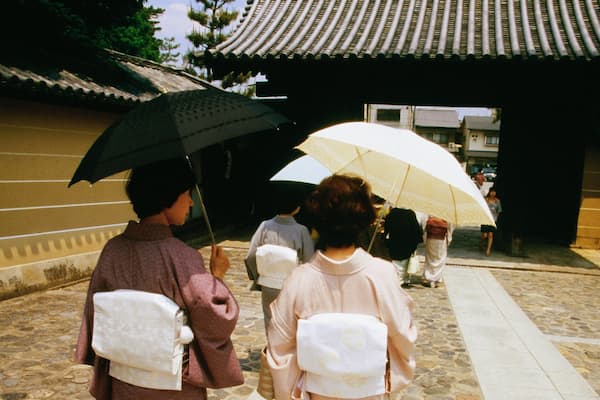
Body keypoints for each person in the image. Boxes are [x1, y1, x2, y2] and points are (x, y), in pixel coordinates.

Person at [74, 158, 243, 400]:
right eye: (186, 194)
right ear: (167, 199)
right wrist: (216, 277)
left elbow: (95, 311)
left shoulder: (112, 250)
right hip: (171, 386)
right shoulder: (182, 257)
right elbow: (216, 314)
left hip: (123, 380)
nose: (191, 201)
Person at [266, 174, 417, 400]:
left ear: (317, 221)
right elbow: (403, 336)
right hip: (370, 394)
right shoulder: (383, 274)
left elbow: (280, 349)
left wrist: (290, 393)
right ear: (364, 219)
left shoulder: (298, 280)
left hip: (317, 394)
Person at [244, 188, 315, 333]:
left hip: (268, 283)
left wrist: (258, 277)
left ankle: (271, 351)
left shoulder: (265, 226)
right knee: (290, 322)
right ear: (297, 208)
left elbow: (251, 255)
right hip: (291, 283)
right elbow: (309, 261)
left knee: (270, 320)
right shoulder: (301, 230)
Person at [383, 207, 423, 285]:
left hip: (395, 240)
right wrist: (416, 241)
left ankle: (397, 278)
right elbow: (415, 229)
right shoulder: (410, 213)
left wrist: (385, 236)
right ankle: (403, 278)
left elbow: (387, 225)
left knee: (396, 261)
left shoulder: (393, 212)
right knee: (405, 261)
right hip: (407, 241)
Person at [422, 215, 454, 288]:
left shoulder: (430, 211)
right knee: (440, 258)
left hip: (430, 237)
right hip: (441, 238)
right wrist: (449, 237)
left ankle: (429, 277)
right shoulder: (446, 212)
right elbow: (450, 227)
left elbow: (424, 223)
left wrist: (425, 236)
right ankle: (436, 278)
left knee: (430, 258)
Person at [480, 186, 502, 256]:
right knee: (485, 235)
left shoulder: (497, 201)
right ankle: (481, 243)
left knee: (490, 235)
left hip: (493, 220)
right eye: (492, 192)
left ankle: (488, 249)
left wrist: (496, 219)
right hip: (485, 219)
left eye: (494, 192)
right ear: (489, 192)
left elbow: (499, 211)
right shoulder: (485, 199)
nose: (493, 193)